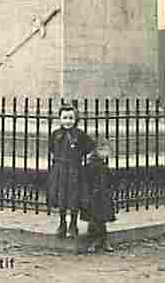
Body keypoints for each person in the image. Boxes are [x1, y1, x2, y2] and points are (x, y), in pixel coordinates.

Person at [47, 103, 94, 239]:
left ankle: (73, 224)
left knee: (74, 197)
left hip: (75, 170)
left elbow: (89, 147)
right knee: (61, 197)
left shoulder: (80, 134)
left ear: (76, 119)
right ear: (60, 119)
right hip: (60, 170)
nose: (68, 121)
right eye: (65, 118)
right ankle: (62, 224)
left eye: (71, 118)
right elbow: (51, 149)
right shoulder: (56, 134)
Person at [81, 137, 116, 253]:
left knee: (102, 219)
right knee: (93, 220)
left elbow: (109, 180)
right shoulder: (91, 165)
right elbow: (86, 181)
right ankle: (93, 241)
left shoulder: (104, 165)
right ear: (95, 151)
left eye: (107, 151)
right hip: (93, 196)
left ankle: (103, 240)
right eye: (101, 150)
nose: (105, 153)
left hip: (103, 195)